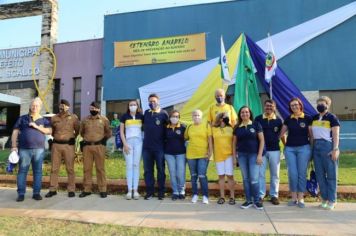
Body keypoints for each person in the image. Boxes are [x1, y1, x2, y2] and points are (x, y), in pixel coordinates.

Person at [11, 97, 52, 202]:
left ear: (40, 107)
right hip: (24, 149)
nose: (34, 107)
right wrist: (14, 146)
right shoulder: (22, 118)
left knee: (37, 172)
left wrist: (37, 127)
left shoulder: (44, 120)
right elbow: (15, 132)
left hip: (39, 150)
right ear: (30, 106)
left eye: (37, 105)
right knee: (22, 171)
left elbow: (49, 131)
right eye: (33, 105)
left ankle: (36, 193)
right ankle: (21, 194)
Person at [280, 97, 312, 208]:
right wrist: (285, 145)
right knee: (292, 174)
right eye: (292, 105)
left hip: (304, 148)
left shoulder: (307, 118)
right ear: (290, 107)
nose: (294, 107)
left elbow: (311, 136)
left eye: (296, 105)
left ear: (300, 105)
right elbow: (281, 134)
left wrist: (311, 149)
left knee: (302, 173)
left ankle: (301, 198)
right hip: (290, 150)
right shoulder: (288, 119)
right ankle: (293, 198)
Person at [45, 99, 80, 198]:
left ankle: (71, 189)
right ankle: (53, 189)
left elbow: (77, 130)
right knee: (54, 168)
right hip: (56, 146)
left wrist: (72, 138)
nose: (62, 107)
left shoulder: (73, 117)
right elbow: (52, 131)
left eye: (64, 105)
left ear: (68, 107)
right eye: (60, 105)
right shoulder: (54, 118)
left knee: (70, 168)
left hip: (68, 146)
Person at [232, 106, 265, 210]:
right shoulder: (237, 127)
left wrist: (259, 155)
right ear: (240, 114)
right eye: (242, 112)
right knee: (246, 179)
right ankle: (248, 200)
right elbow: (233, 144)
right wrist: (234, 157)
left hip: (254, 155)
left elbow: (262, 141)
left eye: (246, 112)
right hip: (241, 155)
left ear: (250, 113)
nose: (244, 114)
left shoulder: (256, 124)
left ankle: (256, 200)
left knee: (254, 179)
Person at [311, 96, 340, 210]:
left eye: (322, 103)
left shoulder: (332, 118)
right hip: (316, 147)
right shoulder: (314, 118)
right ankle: (324, 198)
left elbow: (336, 134)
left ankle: (332, 200)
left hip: (328, 147)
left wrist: (335, 149)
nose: (320, 105)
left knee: (331, 175)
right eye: (318, 103)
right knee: (320, 175)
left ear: (327, 105)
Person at [79, 102, 112, 198]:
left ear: (98, 109)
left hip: (99, 147)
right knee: (87, 169)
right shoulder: (85, 120)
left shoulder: (104, 120)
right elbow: (81, 132)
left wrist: (103, 140)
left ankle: (102, 189)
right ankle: (87, 189)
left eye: (94, 108)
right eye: (91, 108)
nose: (92, 110)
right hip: (87, 147)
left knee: (100, 169)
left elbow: (108, 132)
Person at [255, 99, 285, 205]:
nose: (269, 108)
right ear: (264, 107)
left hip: (275, 150)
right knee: (260, 174)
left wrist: (285, 146)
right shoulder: (258, 119)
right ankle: (260, 195)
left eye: (271, 106)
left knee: (275, 174)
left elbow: (282, 135)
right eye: (267, 106)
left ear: (274, 108)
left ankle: (274, 195)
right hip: (261, 151)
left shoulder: (278, 120)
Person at [142, 93, 169, 200]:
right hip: (147, 148)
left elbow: (168, 129)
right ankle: (150, 191)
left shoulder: (164, 114)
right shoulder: (146, 113)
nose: (152, 103)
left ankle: (161, 192)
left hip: (159, 148)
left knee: (161, 170)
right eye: (150, 101)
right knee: (148, 170)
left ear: (158, 101)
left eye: (154, 101)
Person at [184, 109, 213, 204]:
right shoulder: (189, 127)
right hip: (191, 155)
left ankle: (205, 196)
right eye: (194, 115)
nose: (196, 117)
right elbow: (185, 138)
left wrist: (210, 152)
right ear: (192, 117)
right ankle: (195, 195)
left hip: (203, 155)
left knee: (202, 175)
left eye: (198, 115)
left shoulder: (206, 125)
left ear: (201, 116)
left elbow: (210, 140)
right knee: (193, 176)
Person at [120, 100, 144, 200]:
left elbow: (145, 130)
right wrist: (125, 144)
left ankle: (136, 190)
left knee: (136, 165)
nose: (133, 106)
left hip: (138, 143)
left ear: (137, 106)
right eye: (131, 105)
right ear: (128, 106)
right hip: (128, 143)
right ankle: (129, 191)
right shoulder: (124, 116)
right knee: (129, 166)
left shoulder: (141, 116)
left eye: (134, 105)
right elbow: (121, 131)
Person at [210, 112, 235, 205]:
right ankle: (222, 197)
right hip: (218, 156)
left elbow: (234, 143)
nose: (227, 118)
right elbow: (211, 142)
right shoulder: (214, 129)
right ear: (220, 118)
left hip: (229, 155)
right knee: (221, 176)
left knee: (230, 176)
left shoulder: (231, 128)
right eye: (225, 117)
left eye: (227, 117)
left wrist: (235, 156)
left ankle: (232, 197)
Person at [164, 110, 187, 201]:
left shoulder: (183, 127)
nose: (175, 118)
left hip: (181, 153)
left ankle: (182, 191)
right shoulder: (166, 127)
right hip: (169, 154)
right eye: (173, 116)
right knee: (172, 173)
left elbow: (187, 139)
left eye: (177, 116)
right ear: (170, 117)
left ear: (179, 118)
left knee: (180, 173)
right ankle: (175, 191)